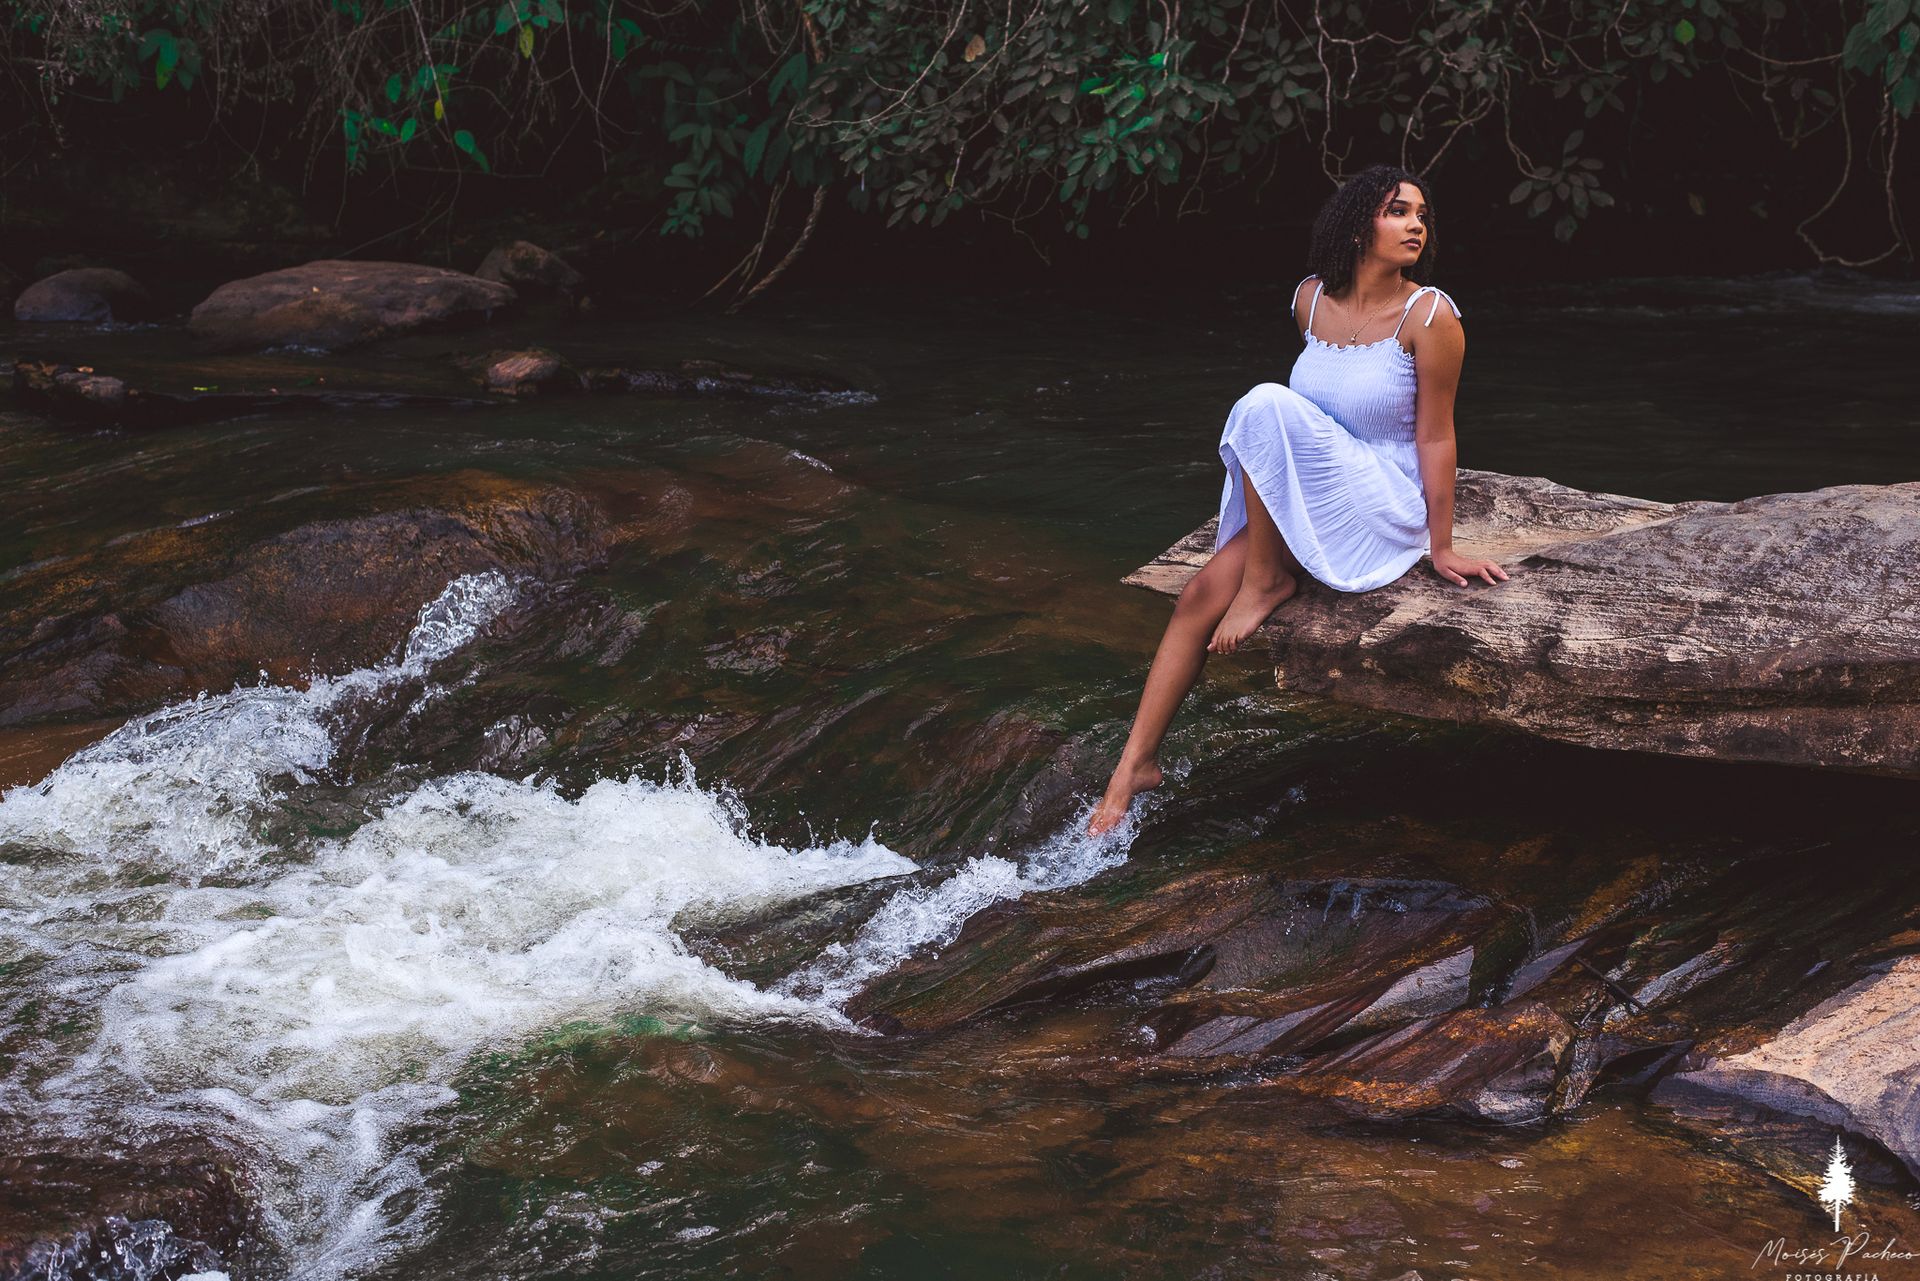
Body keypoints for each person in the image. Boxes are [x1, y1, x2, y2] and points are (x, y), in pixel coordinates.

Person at [1086, 164, 1509, 837]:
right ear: (1356, 224)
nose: (1416, 225)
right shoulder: (1308, 300)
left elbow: (1435, 433)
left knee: (1262, 402)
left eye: (1422, 215)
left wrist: (1442, 542)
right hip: (1317, 484)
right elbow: (1302, 431)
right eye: (1398, 211)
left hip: (1381, 499)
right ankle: (1134, 765)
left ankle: (1269, 577)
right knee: (1198, 596)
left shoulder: (1431, 316)